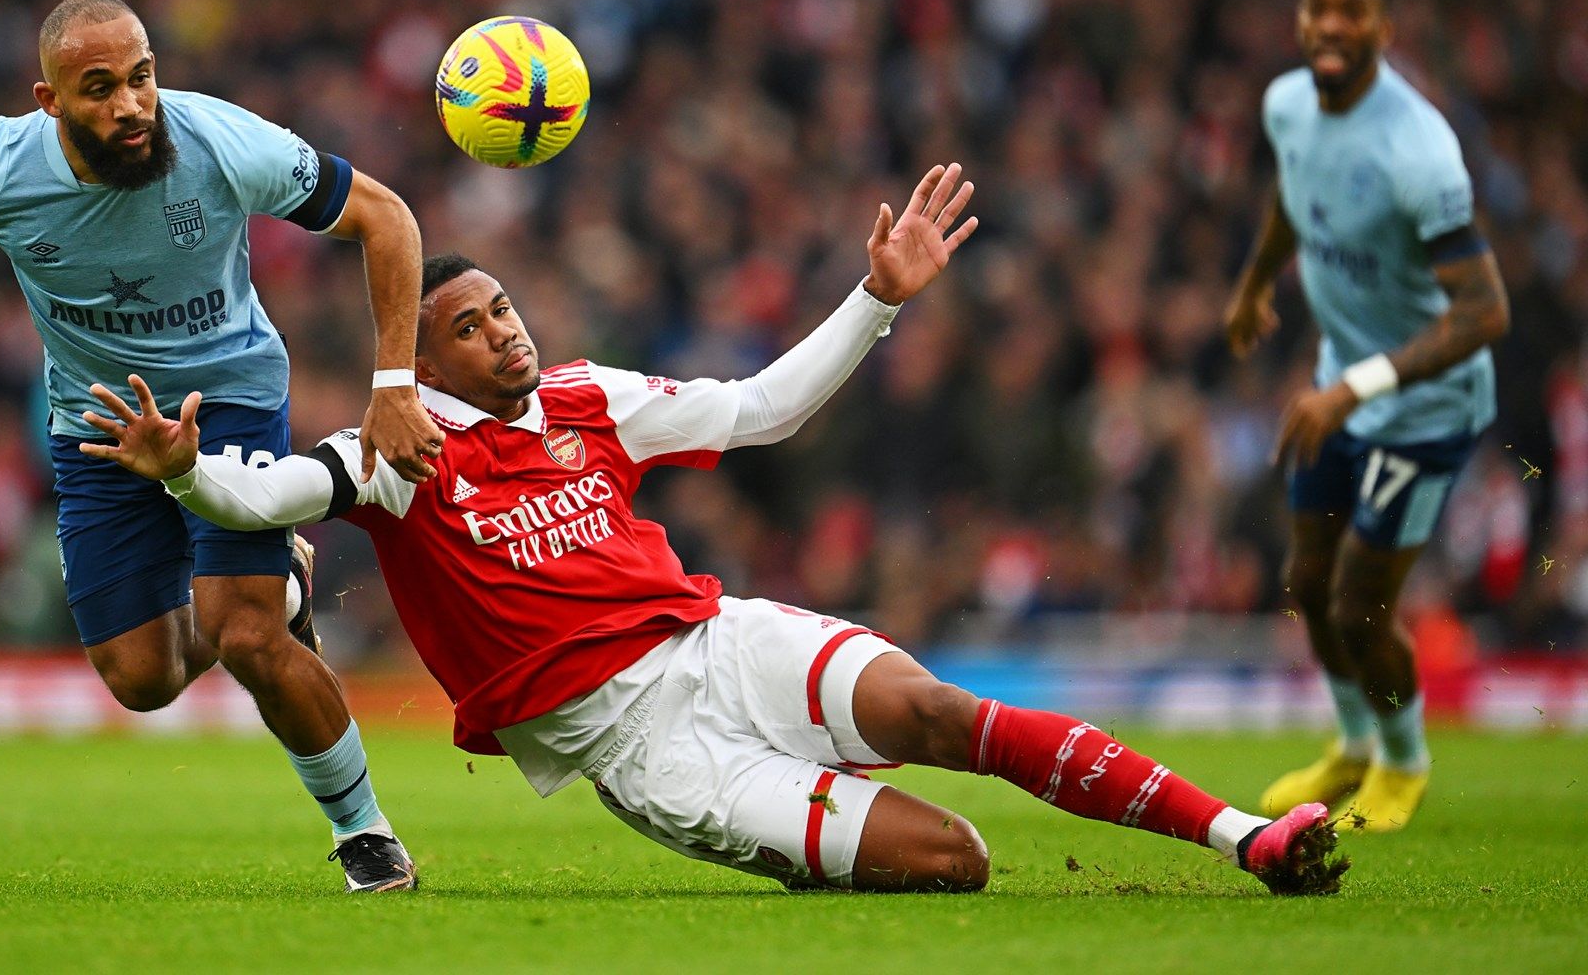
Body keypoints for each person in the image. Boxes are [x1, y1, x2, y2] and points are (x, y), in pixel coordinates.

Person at [83, 166, 1347, 895]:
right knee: (953, 862)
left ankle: (1246, 838)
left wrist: (876, 299)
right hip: (644, 746)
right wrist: (188, 476)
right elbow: (264, 501)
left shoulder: (590, 400)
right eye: (468, 327)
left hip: (717, 640)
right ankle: (815, 806)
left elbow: (762, 409)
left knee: (939, 714)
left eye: (505, 309)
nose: (504, 332)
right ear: (426, 352)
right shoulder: (399, 454)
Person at [0, 0, 440, 890]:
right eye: (100, 88)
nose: (131, 106)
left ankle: (366, 835)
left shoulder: (222, 143)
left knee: (244, 633)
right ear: (49, 103)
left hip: (224, 399)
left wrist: (393, 383)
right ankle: (290, 575)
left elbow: (385, 216)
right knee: (141, 679)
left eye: (143, 77)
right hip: (96, 427)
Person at [1225, 0, 1510, 832]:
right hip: (1339, 386)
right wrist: (1254, 284)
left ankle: (1404, 758)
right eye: (1321, 10)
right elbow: (1292, 196)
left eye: (1355, 14)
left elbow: (1485, 313)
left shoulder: (1419, 151)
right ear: (1302, 18)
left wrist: (1360, 388)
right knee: (1305, 580)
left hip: (1425, 408)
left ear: (1386, 29)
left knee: (1360, 602)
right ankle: (1350, 743)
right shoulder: (1286, 105)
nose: (1334, 28)